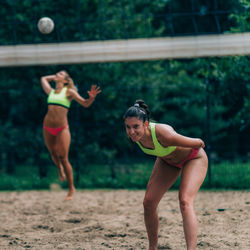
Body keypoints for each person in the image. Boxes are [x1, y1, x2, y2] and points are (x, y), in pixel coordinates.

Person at [124, 100, 208, 250]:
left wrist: (196, 142)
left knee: (184, 202)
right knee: (148, 203)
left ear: (145, 124)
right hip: (168, 161)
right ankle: (152, 248)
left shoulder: (164, 134)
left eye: (135, 126)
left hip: (194, 158)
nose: (131, 132)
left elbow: (198, 143)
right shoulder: (135, 137)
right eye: (128, 127)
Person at [41, 70, 101, 201]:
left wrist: (91, 97)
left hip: (62, 128)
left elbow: (85, 103)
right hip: (47, 127)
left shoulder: (69, 92)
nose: (57, 74)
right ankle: (59, 170)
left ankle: (71, 188)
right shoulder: (50, 92)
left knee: (63, 157)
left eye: (60, 74)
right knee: (52, 153)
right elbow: (43, 79)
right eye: (57, 73)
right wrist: (57, 77)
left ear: (66, 80)